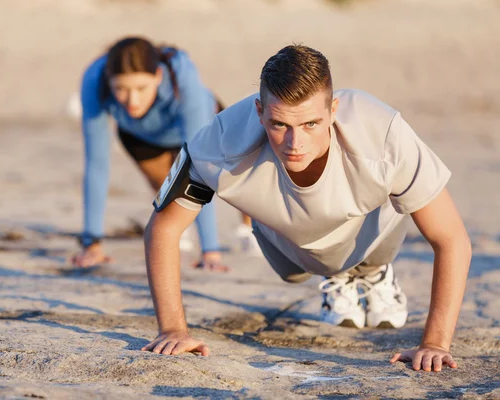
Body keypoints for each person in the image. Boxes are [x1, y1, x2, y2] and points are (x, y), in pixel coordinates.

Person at [141, 44, 472, 372]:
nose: (294, 143)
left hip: (369, 230)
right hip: (287, 241)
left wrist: (435, 343)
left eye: (311, 124)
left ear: (333, 110)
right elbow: (163, 229)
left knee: (390, 215)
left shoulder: (382, 133)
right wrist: (172, 330)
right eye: (279, 125)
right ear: (259, 112)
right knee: (293, 273)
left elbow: (451, 239)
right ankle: (339, 276)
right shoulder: (220, 140)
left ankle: (372, 273)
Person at [72, 36, 257, 270]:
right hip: (141, 136)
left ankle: (248, 228)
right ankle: (181, 228)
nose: (132, 101)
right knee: (169, 188)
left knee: (232, 176)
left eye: (141, 88)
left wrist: (210, 251)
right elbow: (96, 164)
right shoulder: (94, 80)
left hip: (203, 123)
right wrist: (92, 245)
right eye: (120, 89)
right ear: (109, 80)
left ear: (158, 76)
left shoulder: (182, 74)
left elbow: (198, 165)